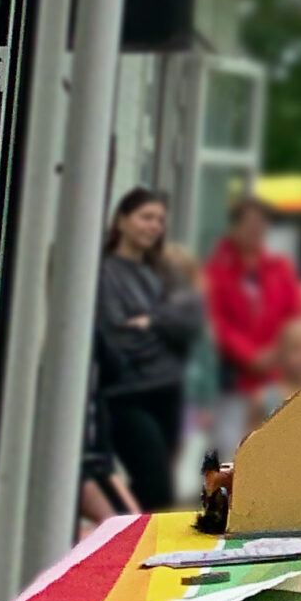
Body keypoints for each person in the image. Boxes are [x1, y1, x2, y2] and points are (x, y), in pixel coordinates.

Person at [93, 188, 201, 513]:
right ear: (122, 221)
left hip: (168, 391)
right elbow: (116, 336)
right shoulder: (105, 273)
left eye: (159, 220)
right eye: (145, 217)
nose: (153, 226)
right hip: (127, 394)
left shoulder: (164, 272)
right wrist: (165, 329)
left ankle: (135, 551)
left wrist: (151, 321)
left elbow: (191, 320)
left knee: (150, 488)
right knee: (157, 487)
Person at [203, 196, 301, 452]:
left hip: (275, 376)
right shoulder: (216, 271)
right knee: (232, 450)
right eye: (250, 224)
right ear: (235, 227)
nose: (257, 231)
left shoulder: (279, 268)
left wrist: (279, 351)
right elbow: (215, 322)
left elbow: (295, 313)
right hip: (234, 379)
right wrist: (250, 356)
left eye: (262, 225)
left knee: (276, 448)